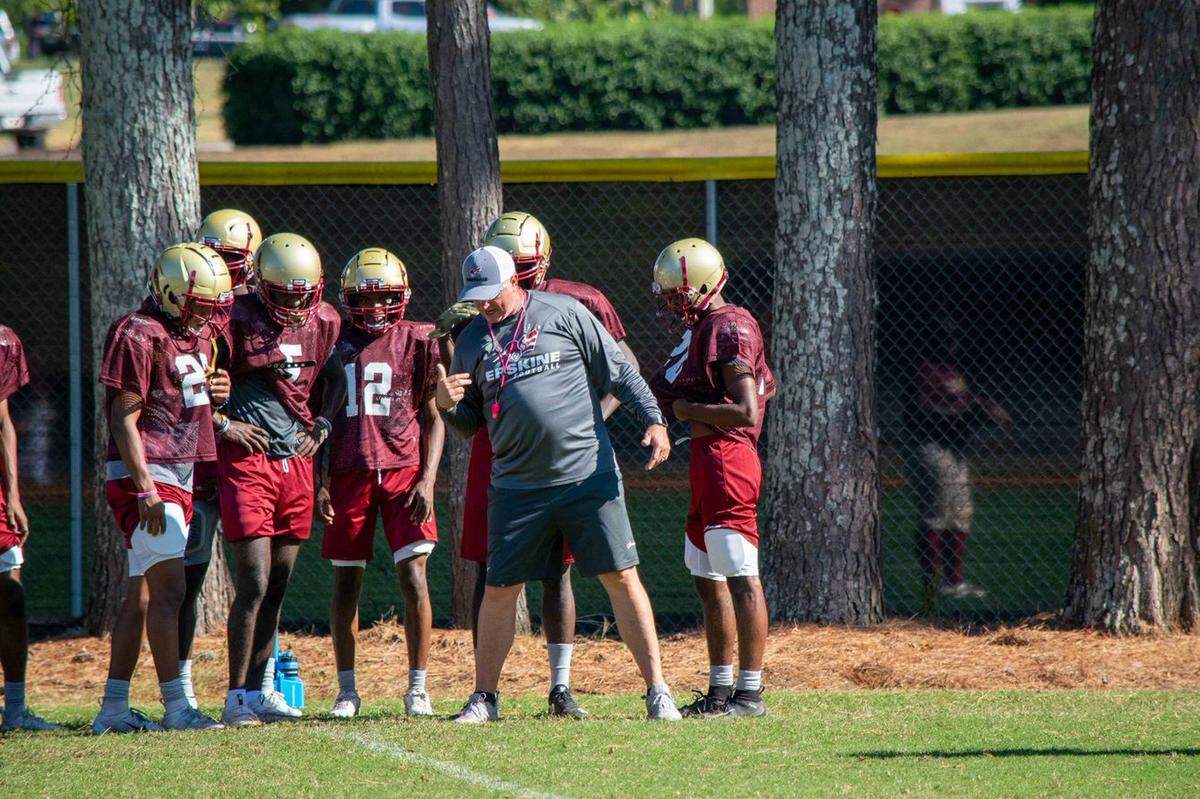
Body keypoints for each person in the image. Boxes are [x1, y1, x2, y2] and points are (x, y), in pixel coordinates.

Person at [436, 245, 681, 723]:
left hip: (584, 474)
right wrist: (447, 405)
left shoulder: (564, 312)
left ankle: (658, 691)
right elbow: (471, 424)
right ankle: (484, 697)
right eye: (476, 296)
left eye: (491, 294)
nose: (484, 304)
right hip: (515, 486)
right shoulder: (470, 340)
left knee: (621, 575)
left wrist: (654, 419)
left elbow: (620, 371)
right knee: (501, 587)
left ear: (514, 282)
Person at [92, 243, 233, 734]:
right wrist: (146, 488)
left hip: (179, 471)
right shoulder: (138, 332)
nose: (206, 314)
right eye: (198, 303)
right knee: (171, 590)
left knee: (144, 597)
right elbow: (122, 417)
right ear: (170, 293)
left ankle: (112, 710)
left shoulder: (192, 335)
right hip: (150, 473)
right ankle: (177, 707)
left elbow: (188, 394)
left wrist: (219, 392)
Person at [216, 233, 344, 727]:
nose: (294, 306)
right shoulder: (234, 317)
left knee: (279, 584)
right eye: (284, 295)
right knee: (253, 581)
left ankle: (259, 687)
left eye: (302, 295)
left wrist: (324, 424)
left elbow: (334, 378)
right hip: (250, 462)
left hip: (297, 461)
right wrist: (225, 424)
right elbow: (205, 382)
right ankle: (234, 698)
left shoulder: (326, 320)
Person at [648, 238, 775, 719]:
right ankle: (721, 690)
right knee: (707, 576)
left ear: (700, 285)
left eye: (674, 293)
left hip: (728, 458)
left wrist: (683, 410)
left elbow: (745, 410)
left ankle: (750, 693)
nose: (668, 303)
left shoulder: (731, 325)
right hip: (706, 456)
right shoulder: (706, 325)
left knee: (742, 576)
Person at [315, 248, 444, 719]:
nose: (373, 310)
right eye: (364, 300)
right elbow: (317, 418)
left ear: (403, 297)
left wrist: (428, 480)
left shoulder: (417, 339)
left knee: (414, 577)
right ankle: (347, 690)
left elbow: (434, 418)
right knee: (346, 581)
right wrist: (320, 480)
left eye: (384, 299)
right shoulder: (330, 339)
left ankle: (418, 688)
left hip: (404, 470)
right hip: (348, 472)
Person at [177, 208, 263, 710]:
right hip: (195, 461)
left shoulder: (257, 309)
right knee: (187, 580)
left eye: (236, 261)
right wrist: (224, 418)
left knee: (262, 577)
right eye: (220, 259)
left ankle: (257, 685)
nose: (228, 271)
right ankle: (181, 688)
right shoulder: (186, 311)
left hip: (243, 462)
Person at [903, 328, 1011, 600]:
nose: (953, 344)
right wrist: (968, 414)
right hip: (930, 447)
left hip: (955, 450)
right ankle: (932, 581)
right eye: (947, 339)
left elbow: (965, 406)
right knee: (936, 514)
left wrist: (981, 410)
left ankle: (954, 582)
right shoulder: (926, 371)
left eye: (955, 338)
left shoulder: (954, 372)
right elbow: (924, 413)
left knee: (961, 514)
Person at [0, 324, 58, 731]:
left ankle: (16, 707)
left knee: (11, 595)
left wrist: (14, 495)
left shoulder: (3, 342)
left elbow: (3, 423)